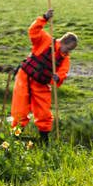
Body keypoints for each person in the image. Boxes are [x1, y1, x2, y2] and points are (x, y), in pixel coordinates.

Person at [12, 9, 78, 140]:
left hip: (41, 84)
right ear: (63, 42)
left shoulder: (65, 59)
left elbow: (63, 72)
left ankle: (44, 139)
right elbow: (33, 31)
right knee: (20, 109)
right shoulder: (46, 40)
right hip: (25, 77)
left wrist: (58, 77)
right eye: (68, 48)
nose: (68, 52)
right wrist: (44, 18)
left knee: (44, 113)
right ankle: (15, 137)